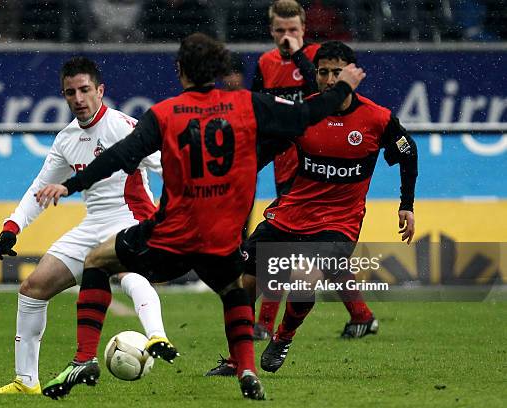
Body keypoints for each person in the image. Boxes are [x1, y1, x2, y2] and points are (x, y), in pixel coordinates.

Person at [34, 33, 365, 400]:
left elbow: (120, 155)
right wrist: (342, 89)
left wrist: (73, 183)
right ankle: (247, 369)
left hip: (171, 236)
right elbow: (305, 115)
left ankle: (83, 358)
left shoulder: (164, 113)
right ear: (220, 69)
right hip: (221, 237)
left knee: (98, 259)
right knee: (233, 291)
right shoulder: (247, 105)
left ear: (181, 72)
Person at [205, 40, 417, 377]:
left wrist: (406, 205)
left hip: (339, 222)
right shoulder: (304, 113)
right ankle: (236, 359)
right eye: (323, 72)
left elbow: (407, 152)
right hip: (292, 213)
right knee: (243, 281)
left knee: (304, 277)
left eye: (337, 72)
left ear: (353, 74)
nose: (330, 79)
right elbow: (266, 150)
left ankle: (283, 335)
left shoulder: (377, 118)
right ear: (315, 75)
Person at [0, 56, 176, 395]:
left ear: (100, 90)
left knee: (126, 274)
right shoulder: (66, 139)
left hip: (131, 219)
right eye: (71, 92)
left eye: (85, 90)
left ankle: (157, 335)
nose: (79, 98)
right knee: (32, 289)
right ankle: (25, 382)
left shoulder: (124, 126)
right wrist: (12, 226)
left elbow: (168, 166)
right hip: (92, 226)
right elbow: (39, 189)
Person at [251, 0, 322, 341]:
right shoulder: (265, 63)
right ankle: (362, 316)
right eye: (280, 31)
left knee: (288, 243)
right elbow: (254, 105)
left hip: (317, 158)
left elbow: (322, 95)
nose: (286, 37)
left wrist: (298, 56)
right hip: (283, 159)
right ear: (271, 31)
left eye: (292, 30)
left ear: (304, 30)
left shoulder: (318, 59)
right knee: (291, 243)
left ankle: (264, 324)